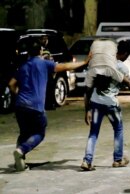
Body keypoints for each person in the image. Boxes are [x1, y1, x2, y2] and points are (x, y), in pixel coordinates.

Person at [8, 37, 90, 172]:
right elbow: (65, 66)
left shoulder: (23, 66)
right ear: (40, 51)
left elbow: (11, 84)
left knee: (24, 133)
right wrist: (85, 62)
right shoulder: (44, 64)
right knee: (40, 132)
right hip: (35, 106)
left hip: (20, 105)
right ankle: (21, 150)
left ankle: (20, 161)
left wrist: (18, 96)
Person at [81, 39, 130, 171]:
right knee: (118, 129)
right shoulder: (121, 67)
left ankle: (87, 160)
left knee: (93, 132)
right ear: (126, 53)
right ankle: (117, 159)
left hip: (96, 102)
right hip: (111, 103)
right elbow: (128, 84)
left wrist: (86, 110)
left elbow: (87, 90)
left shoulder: (97, 65)